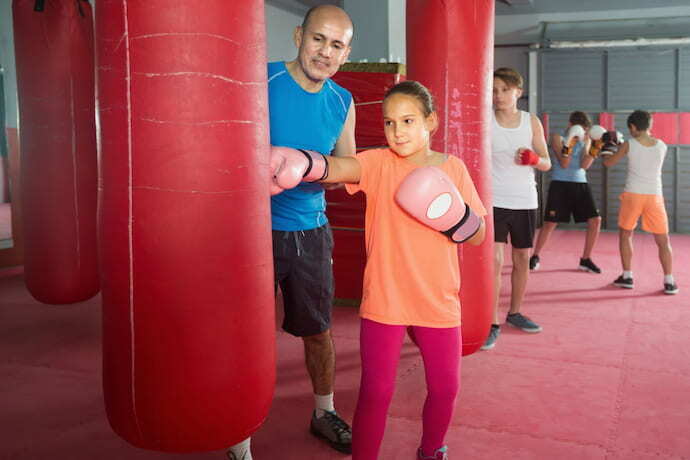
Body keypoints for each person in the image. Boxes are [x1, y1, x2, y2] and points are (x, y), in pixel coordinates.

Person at [271, 80, 487, 460]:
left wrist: (455, 217)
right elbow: (340, 166)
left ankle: (432, 450)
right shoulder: (379, 163)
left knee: (445, 388)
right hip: (385, 297)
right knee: (376, 391)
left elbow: (478, 235)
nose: (397, 131)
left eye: (407, 121)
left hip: (437, 297)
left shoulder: (453, 169)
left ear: (430, 122)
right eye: (389, 123)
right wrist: (303, 162)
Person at [226, 5, 356, 460]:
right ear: (300, 35)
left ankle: (324, 411)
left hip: (310, 230)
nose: (325, 52)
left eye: (336, 45)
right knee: (243, 334)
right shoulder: (258, 81)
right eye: (319, 39)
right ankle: (237, 435)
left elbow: (348, 168)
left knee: (318, 329)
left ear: (346, 53)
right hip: (251, 229)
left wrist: (308, 165)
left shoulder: (342, 101)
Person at [481, 67, 551, 351]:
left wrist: (535, 158)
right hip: (494, 199)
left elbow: (547, 162)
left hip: (524, 200)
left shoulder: (530, 122)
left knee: (522, 259)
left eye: (505, 90)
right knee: (495, 262)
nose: (498, 95)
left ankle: (515, 312)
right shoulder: (485, 120)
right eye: (495, 90)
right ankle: (492, 321)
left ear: (518, 93)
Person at [602, 110, 679, 295]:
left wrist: (607, 147)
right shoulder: (662, 145)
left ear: (633, 127)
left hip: (633, 194)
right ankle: (669, 280)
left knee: (626, 234)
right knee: (663, 240)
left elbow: (608, 163)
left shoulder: (629, 144)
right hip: (654, 196)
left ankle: (627, 276)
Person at [529, 111, 603, 274]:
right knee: (550, 223)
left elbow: (584, 165)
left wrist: (595, 149)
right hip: (560, 183)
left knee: (595, 220)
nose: (582, 132)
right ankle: (535, 255)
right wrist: (570, 141)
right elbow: (564, 163)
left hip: (580, 183)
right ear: (570, 125)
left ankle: (586, 259)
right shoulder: (558, 138)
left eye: (584, 130)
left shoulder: (586, 140)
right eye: (579, 128)